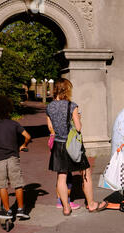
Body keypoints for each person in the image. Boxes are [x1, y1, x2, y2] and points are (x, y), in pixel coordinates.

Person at [46, 78, 107, 216]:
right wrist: (78, 118)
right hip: (72, 145)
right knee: (85, 173)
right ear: (67, 90)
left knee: (61, 176)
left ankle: (66, 207)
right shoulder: (72, 106)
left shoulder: (49, 107)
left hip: (58, 146)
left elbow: (50, 128)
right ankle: (91, 204)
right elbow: (78, 128)